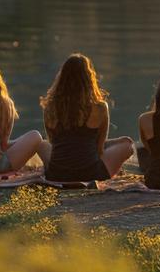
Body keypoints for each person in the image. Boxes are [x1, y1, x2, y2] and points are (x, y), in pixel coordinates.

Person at [40, 53, 134, 183]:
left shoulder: (50, 108)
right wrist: (116, 143)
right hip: (91, 174)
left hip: (56, 174)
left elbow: (55, 144)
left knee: (43, 144)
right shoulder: (100, 108)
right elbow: (99, 149)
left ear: (61, 78)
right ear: (89, 78)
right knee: (127, 145)